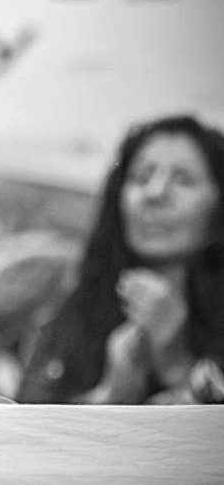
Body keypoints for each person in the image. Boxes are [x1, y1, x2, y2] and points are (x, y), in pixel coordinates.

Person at [18, 115, 224, 404]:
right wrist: (109, 396)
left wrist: (175, 363)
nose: (155, 193)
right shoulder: (73, 313)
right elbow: (27, 419)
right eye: (141, 177)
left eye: (184, 180)